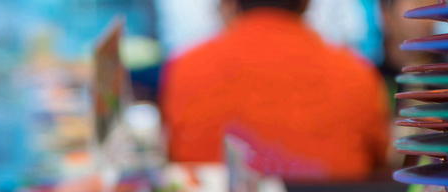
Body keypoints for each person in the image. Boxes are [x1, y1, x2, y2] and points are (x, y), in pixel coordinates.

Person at [159, 0, 390, 180]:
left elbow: (170, 161)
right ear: (307, 3)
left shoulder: (183, 69)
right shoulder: (360, 74)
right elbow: (379, 164)